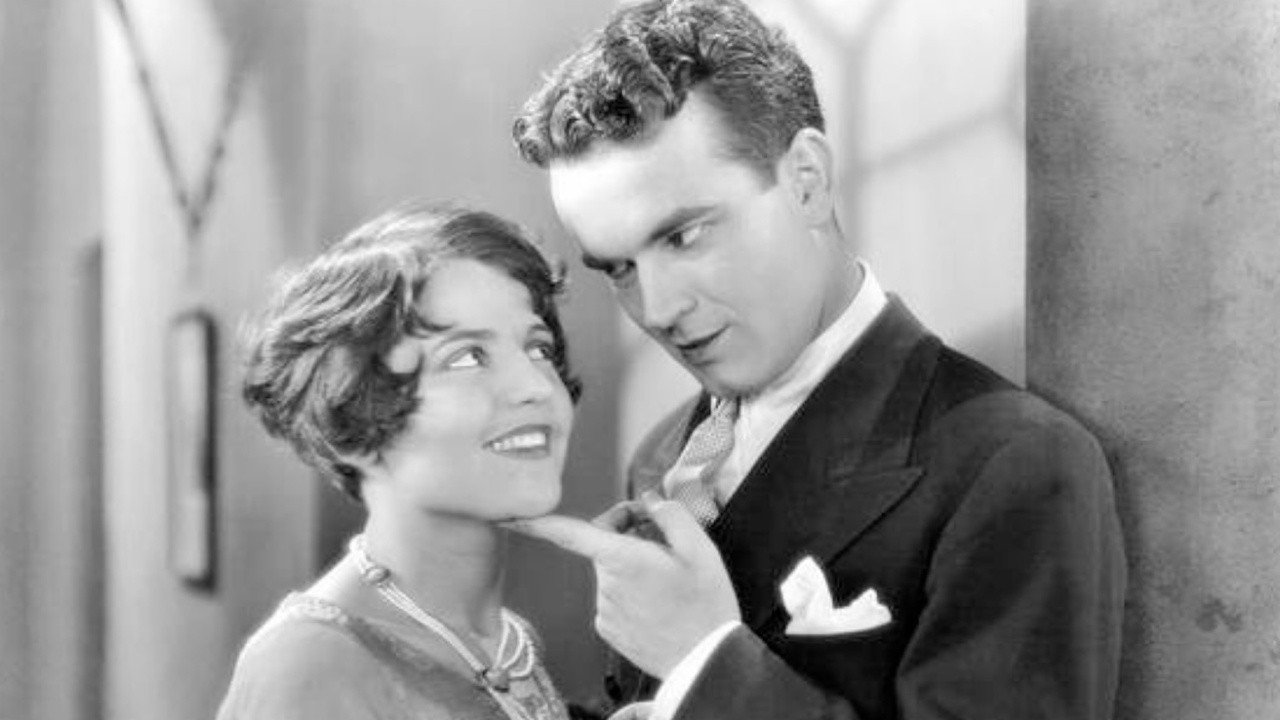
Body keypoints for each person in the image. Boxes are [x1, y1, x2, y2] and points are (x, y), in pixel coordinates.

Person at [508, 1, 1127, 719]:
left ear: (807, 179)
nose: (659, 307)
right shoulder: (663, 458)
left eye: (685, 237)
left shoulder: (1016, 464)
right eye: (618, 268)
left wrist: (704, 660)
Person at [216, 203, 582, 720]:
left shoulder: (509, 644)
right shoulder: (311, 665)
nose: (535, 387)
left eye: (538, 349)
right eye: (466, 357)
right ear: (351, 416)